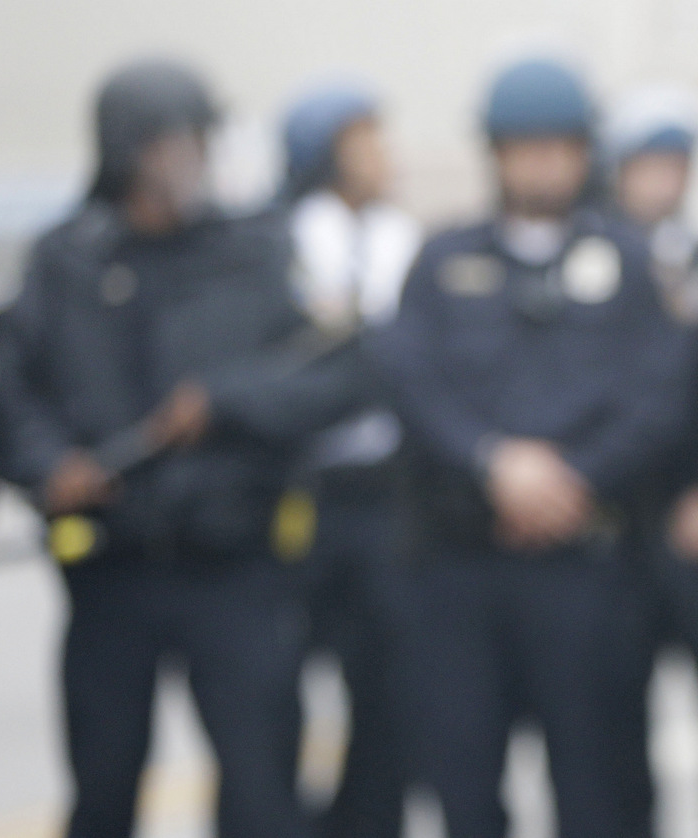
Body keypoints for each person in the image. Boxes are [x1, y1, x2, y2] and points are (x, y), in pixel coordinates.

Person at [0, 58, 357, 838]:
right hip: (111, 574)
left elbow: (334, 378)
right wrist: (51, 466)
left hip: (238, 570)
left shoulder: (257, 251)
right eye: (181, 141)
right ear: (132, 150)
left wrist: (225, 402)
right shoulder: (66, 263)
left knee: (263, 793)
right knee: (104, 787)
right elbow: (14, 395)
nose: (199, 158)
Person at [371, 57, 692, 838]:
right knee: (465, 783)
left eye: (559, 144)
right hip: (463, 571)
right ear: (495, 154)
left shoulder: (629, 263)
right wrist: (493, 462)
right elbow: (412, 384)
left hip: (586, 571)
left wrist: (570, 479)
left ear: (586, 153)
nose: (542, 162)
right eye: (524, 145)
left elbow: (659, 396)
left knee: (598, 789)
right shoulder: (444, 261)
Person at [603, 82, 698, 835]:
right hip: (606, 534)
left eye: (675, 165)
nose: (662, 182)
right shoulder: (589, 267)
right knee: (606, 744)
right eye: (646, 165)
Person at [278, 79, 422, 838]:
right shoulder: (284, 240)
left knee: (390, 686)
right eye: (364, 141)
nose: (382, 156)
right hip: (304, 492)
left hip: (386, 491)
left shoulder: (404, 240)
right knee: (278, 683)